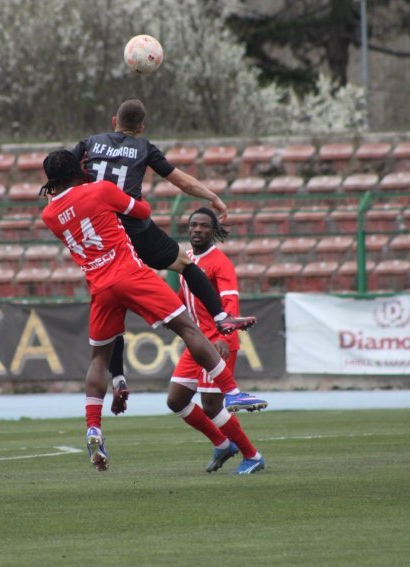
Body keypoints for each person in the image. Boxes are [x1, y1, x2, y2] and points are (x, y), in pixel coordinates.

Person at [39, 150, 266, 472]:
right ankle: (232, 392)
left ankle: (93, 427)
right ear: (78, 169)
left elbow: (71, 212)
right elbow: (141, 210)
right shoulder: (100, 189)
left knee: (98, 359)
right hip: (130, 273)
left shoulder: (49, 215)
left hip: (100, 287)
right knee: (188, 329)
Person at [71, 99, 258, 414]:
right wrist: (213, 197)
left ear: (113, 119)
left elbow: (62, 171)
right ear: (141, 126)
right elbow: (180, 180)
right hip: (134, 227)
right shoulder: (143, 147)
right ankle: (221, 317)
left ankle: (117, 378)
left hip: (102, 235)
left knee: (112, 308)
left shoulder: (90, 144)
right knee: (185, 265)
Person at [167, 207, 266, 474]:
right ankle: (222, 444)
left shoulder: (220, 262)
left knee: (211, 404)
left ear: (214, 232)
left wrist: (227, 335)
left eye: (204, 226)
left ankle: (252, 455)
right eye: (193, 225)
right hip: (197, 342)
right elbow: (184, 295)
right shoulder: (186, 259)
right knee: (176, 400)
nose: (197, 230)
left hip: (218, 342)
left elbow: (230, 301)